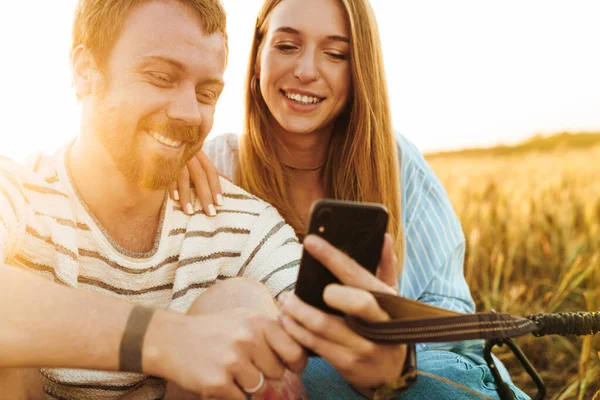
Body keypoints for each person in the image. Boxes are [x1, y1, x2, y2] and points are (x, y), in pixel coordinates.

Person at [0, 0, 408, 399]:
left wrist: (380, 358)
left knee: (240, 303)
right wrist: (168, 339)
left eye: (207, 93)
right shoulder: (18, 190)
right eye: (161, 77)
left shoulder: (242, 225)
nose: (190, 114)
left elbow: (331, 333)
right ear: (85, 71)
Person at [173, 0, 531, 398]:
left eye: (335, 54)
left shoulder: (396, 163)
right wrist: (164, 161)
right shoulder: (214, 167)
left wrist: (390, 357)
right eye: (287, 46)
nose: (306, 70)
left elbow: (456, 330)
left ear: (359, 69)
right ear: (257, 55)